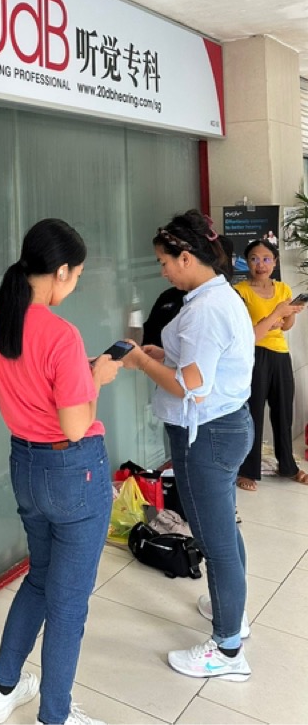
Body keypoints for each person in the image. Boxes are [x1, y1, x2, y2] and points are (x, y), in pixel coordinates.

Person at [0, 219, 121, 725]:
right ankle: (54, 716)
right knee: (68, 604)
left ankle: (1, 692)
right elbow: (77, 425)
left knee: (39, 579)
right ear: (61, 271)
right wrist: (95, 377)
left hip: (26, 467)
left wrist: (71, 374)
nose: (75, 284)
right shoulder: (61, 334)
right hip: (73, 472)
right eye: (76, 275)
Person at [121, 210, 255, 681]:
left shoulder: (204, 310)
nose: (162, 271)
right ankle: (232, 611)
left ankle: (228, 650)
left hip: (208, 434)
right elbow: (198, 364)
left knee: (215, 543)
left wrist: (142, 362)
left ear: (185, 257)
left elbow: (189, 387)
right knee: (223, 531)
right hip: (224, 426)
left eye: (164, 262)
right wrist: (164, 354)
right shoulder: (216, 295)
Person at [234, 238, 308, 490]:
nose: (260, 264)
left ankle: (288, 466)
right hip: (254, 354)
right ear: (246, 262)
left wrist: (289, 314)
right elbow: (243, 331)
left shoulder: (283, 289)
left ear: (275, 262)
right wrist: (270, 319)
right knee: (253, 413)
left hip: (280, 355)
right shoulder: (239, 291)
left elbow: (286, 326)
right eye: (254, 259)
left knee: (283, 412)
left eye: (266, 259)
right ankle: (247, 470)